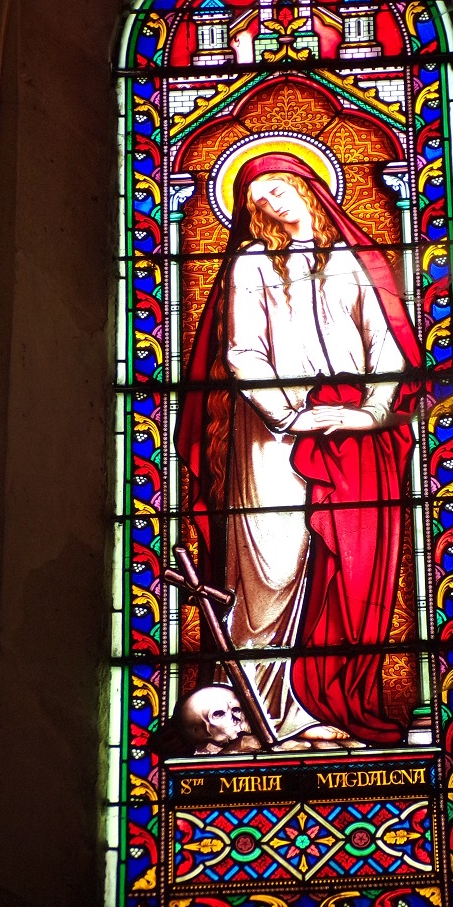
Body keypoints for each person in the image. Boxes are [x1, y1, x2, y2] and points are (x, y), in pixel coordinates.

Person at [176, 153, 422, 747]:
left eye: (278, 187)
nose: (271, 202)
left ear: (307, 186)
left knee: (343, 562)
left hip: (348, 430)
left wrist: (368, 412)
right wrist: (289, 415)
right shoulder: (253, 263)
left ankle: (317, 707)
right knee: (273, 564)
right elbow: (242, 353)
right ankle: (256, 715)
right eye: (258, 199)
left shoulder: (350, 260)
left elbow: (385, 346)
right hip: (270, 433)